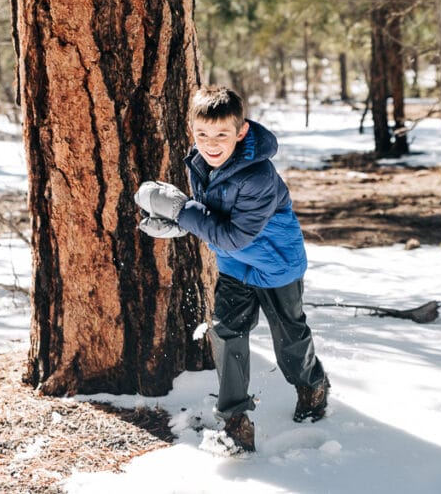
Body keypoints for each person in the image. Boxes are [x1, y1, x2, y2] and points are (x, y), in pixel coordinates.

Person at [134, 85, 329, 453]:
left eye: (222, 134)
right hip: (236, 263)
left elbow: (234, 234)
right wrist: (179, 223)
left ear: (241, 132)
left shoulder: (258, 177)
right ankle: (235, 419)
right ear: (192, 129)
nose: (211, 143)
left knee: (289, 336)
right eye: (202, 134)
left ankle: (312, 385)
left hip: (276, 263)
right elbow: (214, 218)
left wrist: (182, 212)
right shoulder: (199, 161)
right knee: (227, 331)